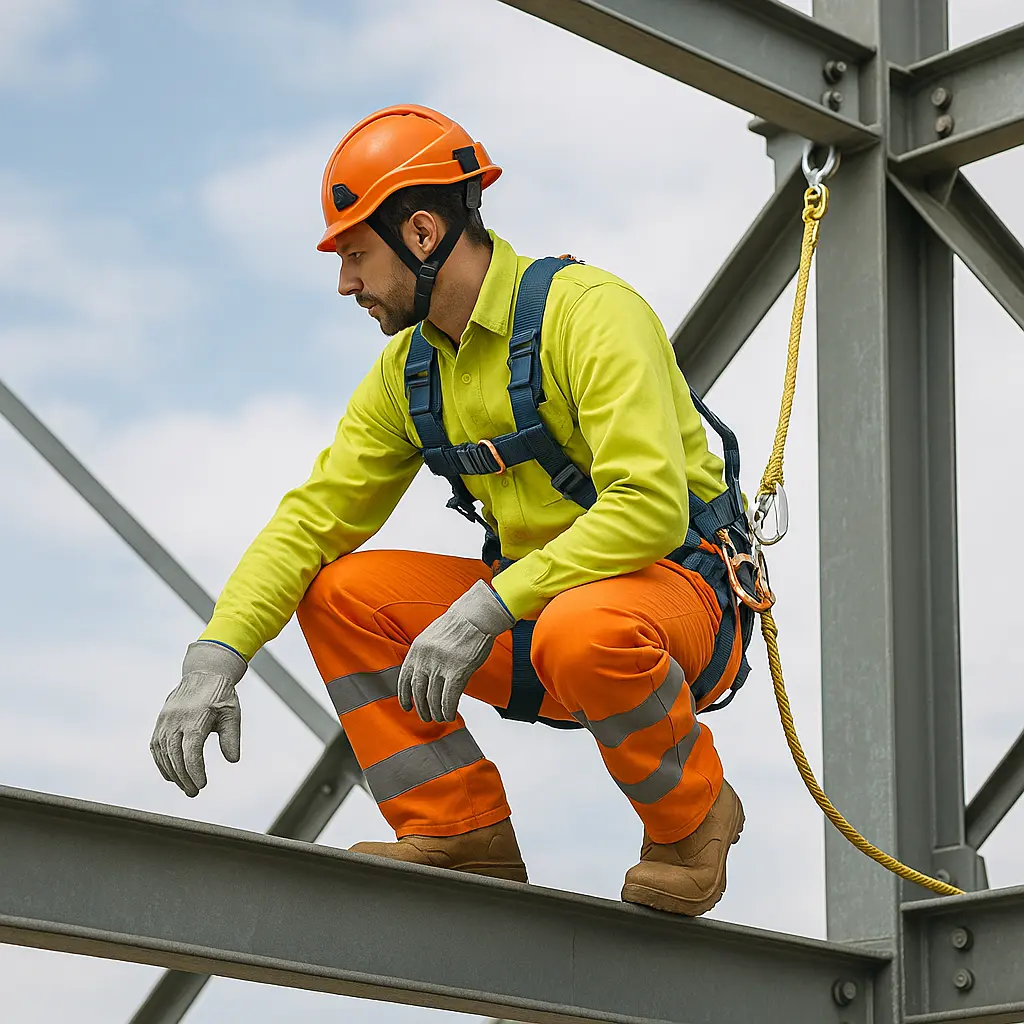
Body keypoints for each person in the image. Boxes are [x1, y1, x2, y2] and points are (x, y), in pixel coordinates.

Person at [150, 103, 754, 917]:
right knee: (337, 593)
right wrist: (215, 657)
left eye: (357, 255)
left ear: (424, 234)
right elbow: (310, 521)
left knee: (588, 629)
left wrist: (485, 606)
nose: (346, 284)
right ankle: (459, 830)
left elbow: (647, 508)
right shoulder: (410, 374)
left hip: (672, 604)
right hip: (537, 618)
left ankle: (691, 823)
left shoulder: (590, 314)